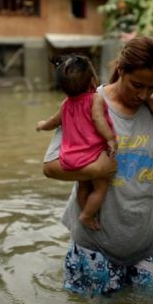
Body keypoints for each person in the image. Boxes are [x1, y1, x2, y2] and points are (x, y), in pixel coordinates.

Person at [42, 36, 153, 296]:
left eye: (151, 86)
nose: (142, 94)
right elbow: (50, 166)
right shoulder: (89, 101)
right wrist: (96, 170)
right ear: (121, 70)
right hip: (95, 242)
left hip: (148, 240)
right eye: (137, 85)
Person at [36, 54, 118, 230]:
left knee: (83, 185)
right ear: (93, 82)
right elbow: (98, 119)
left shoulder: (66, 104)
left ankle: (84, 211)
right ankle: (87, 215)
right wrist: (110, 138)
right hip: (91, 155)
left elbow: (53, 122)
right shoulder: (95, 99)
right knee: (100, 187)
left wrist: (42, 125)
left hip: (70, 157)